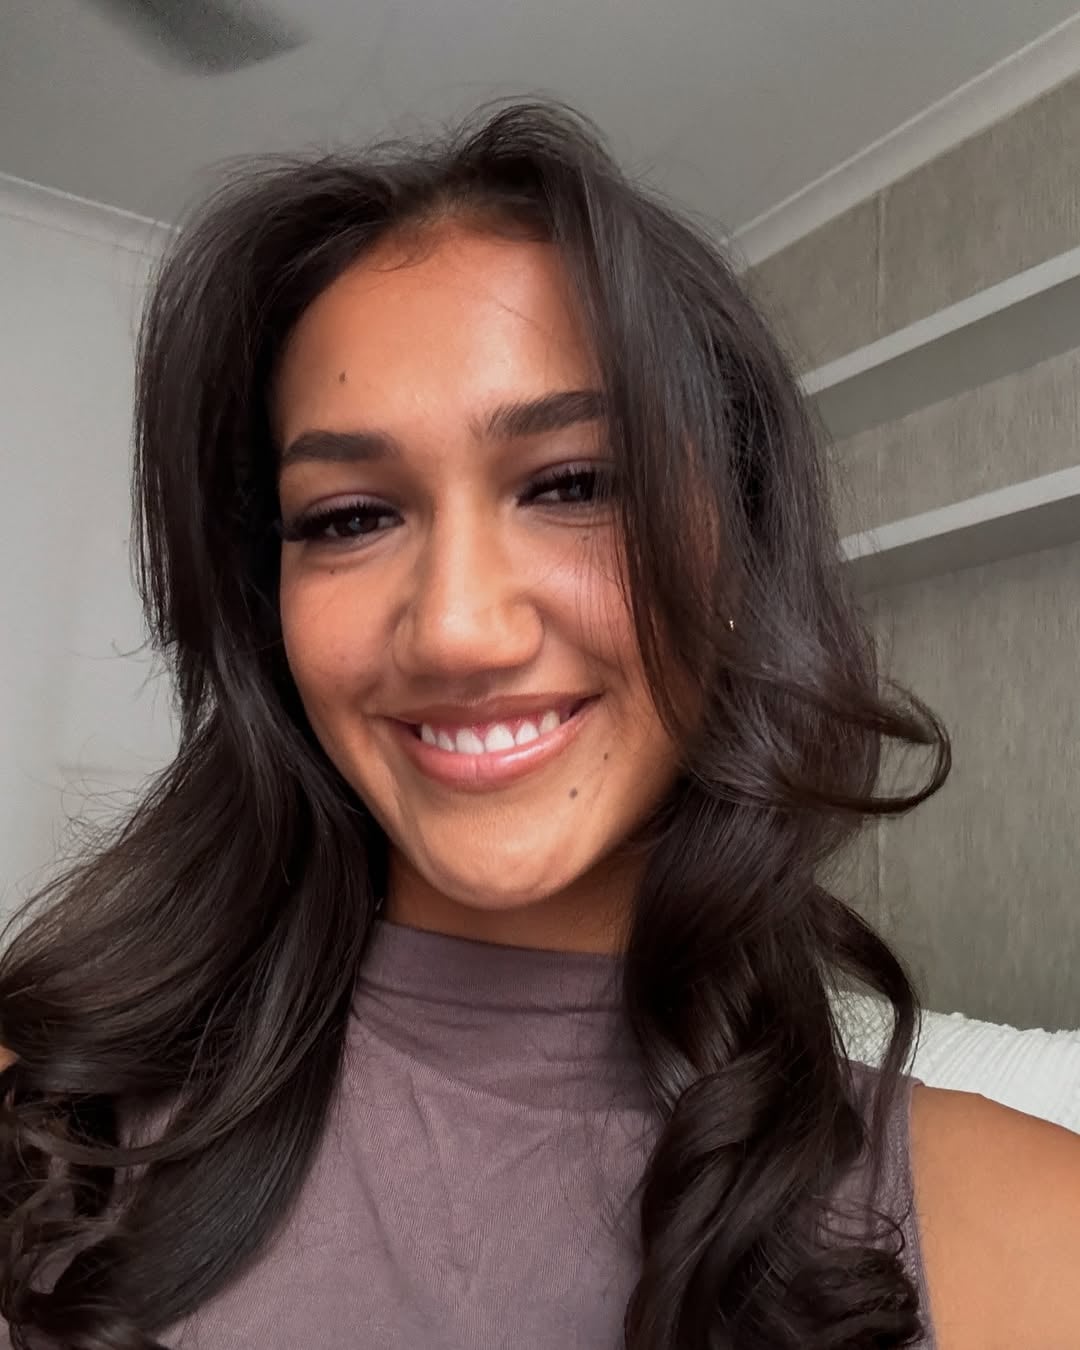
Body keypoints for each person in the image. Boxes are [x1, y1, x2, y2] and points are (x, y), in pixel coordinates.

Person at [0, 99, 1077, 1350]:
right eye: (349, 517)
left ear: (739, 550)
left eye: (574, 485)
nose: (458, 630)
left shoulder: (1021, 1232)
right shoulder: (52, 1137)